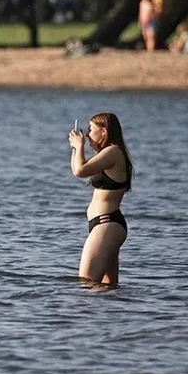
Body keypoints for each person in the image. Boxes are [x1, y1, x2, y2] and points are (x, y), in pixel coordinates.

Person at [68, 112, 134, 285]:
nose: (88, 134)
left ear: (104, 131)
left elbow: (79, 171)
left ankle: (85, 313)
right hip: (105, 225)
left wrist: (79, 145)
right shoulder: (109, 153)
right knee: (107, 289)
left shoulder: (113, 152)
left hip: (107, 225)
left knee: (86, 283)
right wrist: (76, 148)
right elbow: (79, 169)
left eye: (91, 129)